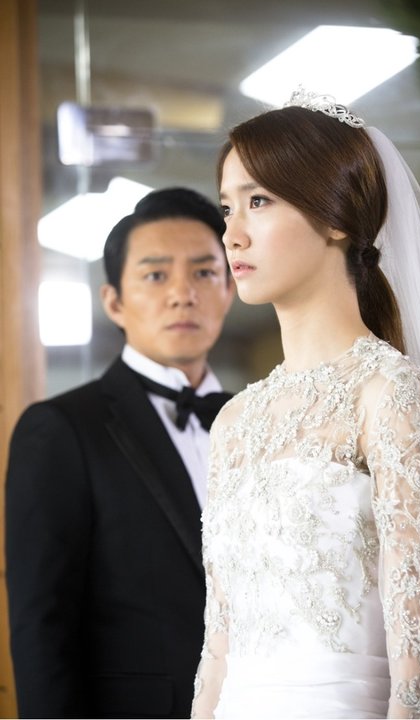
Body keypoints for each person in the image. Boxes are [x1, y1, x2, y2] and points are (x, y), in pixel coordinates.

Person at [191, 90, 420, 719]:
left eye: (258, 202)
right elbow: (219, 645)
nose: (231, 234)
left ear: (336, 218)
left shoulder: (390, 392)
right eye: (226, 207)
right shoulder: (235, 422)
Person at [6, 186, 235, 719]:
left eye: (204, 272)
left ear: (229, 288)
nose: (183, 294)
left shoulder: (261, 419)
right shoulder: (60, 429)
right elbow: (41, 625)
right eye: (155, 276)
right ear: (113, 301)